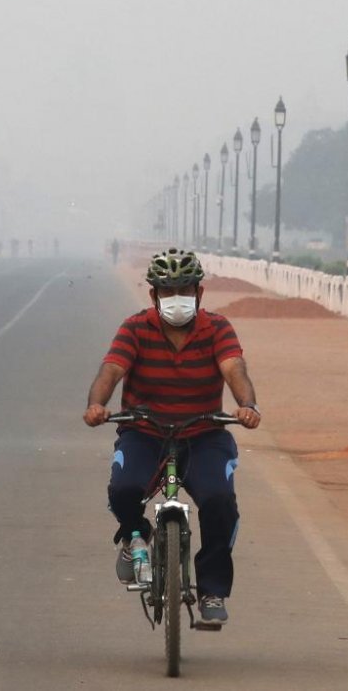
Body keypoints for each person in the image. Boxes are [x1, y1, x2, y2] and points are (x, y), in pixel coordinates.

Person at [83, 247, 260, 627]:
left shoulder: (217, 328)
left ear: (199, 293)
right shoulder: (135, 327)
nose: (175, 299)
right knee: (124, 489)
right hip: (144, 431)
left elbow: (234, 368)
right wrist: (97, 405)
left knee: (219, 500)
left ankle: (212, 590)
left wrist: (247, 405)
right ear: (153, 295)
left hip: (204, 433)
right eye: (167, 292)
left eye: (184, 290)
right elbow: (111, 371)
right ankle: (136, 536)